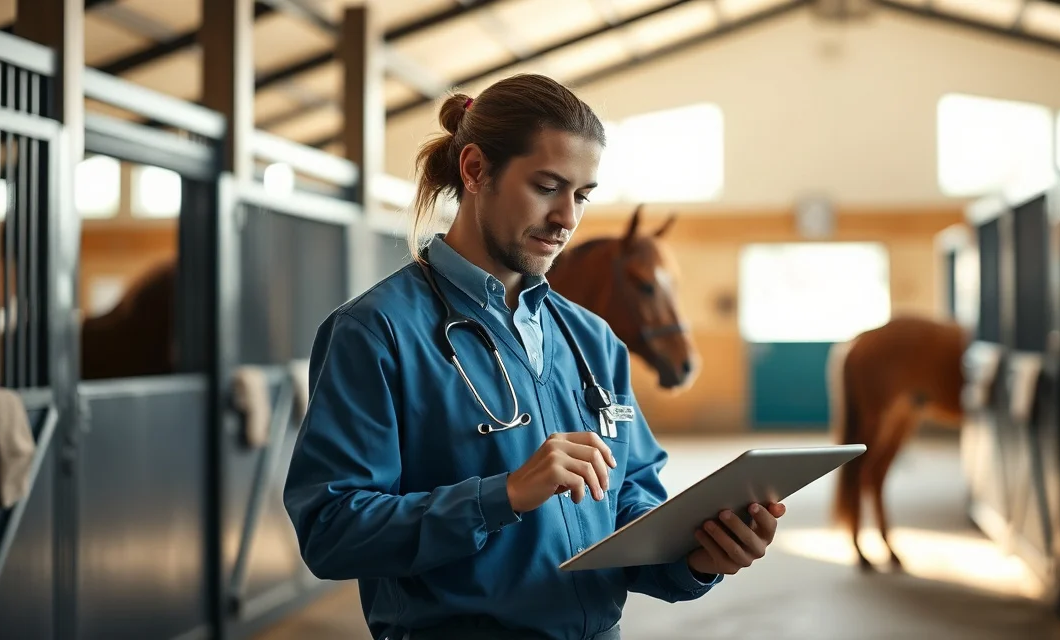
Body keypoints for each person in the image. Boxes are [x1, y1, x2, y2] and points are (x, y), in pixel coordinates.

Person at [283, 73, 787, 640]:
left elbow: (630, 510)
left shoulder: (592, 341)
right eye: (547, 187)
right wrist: (503, 495)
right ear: (475, 170)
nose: (567, 218)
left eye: (582, 195)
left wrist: (699, 557)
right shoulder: (376, 332)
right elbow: (331, 531)